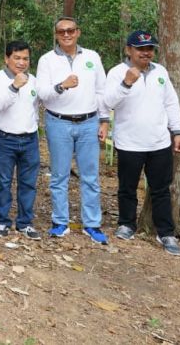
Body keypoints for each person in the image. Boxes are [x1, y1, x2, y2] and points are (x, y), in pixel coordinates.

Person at [103, 30, 180, 256]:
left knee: (160, 190)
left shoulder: (161, 72)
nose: (145, 53)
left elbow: (171, 103)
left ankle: (165, 232)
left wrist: (177, 131)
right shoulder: (117, 72)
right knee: (127, 188)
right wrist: (126, 83)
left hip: (159, 142)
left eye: (149, 49)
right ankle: (127, 224)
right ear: (128, 50)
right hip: (129, 142)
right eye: (140, 49)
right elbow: (108, 102)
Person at [35, 16, 110, 244]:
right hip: (59, 122)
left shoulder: (92, 57)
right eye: (61, 32)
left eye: (70, 31)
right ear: (56, 35)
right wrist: (61, 86)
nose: (66, 35)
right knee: (59, 175)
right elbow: (42, 93)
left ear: (78, 32)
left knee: (90, 176)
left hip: (89, 122)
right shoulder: (47, 60)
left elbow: (101, 90)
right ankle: (60, 222)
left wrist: (104, 120)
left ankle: (92, 224)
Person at [0, 40, 41, 240]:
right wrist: (14, 86)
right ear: (6, 59)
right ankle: (3, 221)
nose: (21, 62)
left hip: (29, 139)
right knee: (3, 181)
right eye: (16, 58)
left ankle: (25, 222)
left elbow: (36, 106)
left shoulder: (33, 80)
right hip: (4, 138)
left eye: (25, 58)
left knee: (28, 183)